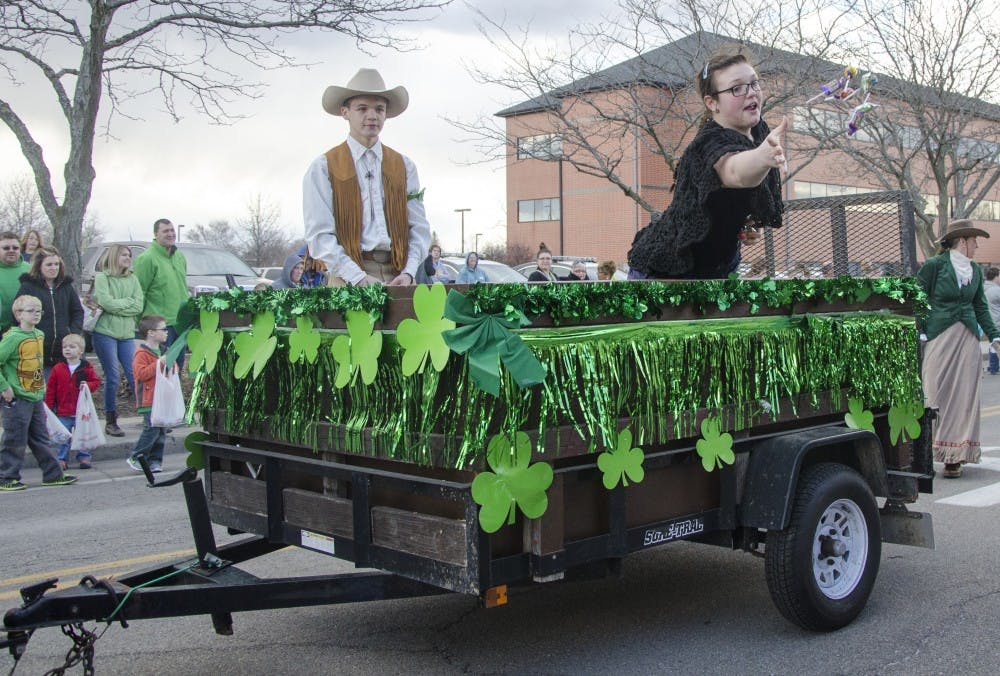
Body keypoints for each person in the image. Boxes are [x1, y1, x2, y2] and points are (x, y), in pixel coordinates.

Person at [627, 47, 784, 280]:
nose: (751, 93)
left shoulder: (760, 132)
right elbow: (734, 172)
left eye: (754, 84)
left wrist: (747, 223)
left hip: (718, 267)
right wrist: (762, 158)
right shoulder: (708, 143)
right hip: (666, 269)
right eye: (736, 89)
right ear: (712, 103)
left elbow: (738, 194)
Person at [303, 68, 431, 286]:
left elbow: (419, 227)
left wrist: (409, 272)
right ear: (345, 112)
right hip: (347, 276)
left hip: (398, 274)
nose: (372, 116)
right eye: (362, 108)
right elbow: (319, 236)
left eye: (379, 109)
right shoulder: (323, 167)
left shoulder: (405, 166)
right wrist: (358, 277)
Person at [917, 219, 1000, 479]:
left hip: (968, 339)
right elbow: (919, 297)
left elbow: (980, 307)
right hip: (939, 336)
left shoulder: (974, 270)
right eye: (974, 242)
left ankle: (954, 457)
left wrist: (995, 337)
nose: (977, 247)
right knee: (933, 394)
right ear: (962, 241)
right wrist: (921, 329)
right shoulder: (935, 266)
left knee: (964, 397)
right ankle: (924, 454)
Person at [0, 295, 78, 491]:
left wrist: (40, 386)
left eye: (38, 311)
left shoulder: (39, 334)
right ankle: (6, 477)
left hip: (34, 395)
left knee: (41, 438)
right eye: (30, 311)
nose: (35, 314)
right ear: (18, 315)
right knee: (14, 439)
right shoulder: (13, 338)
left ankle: (52, 474)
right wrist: (5, 387)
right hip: (16, 397)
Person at [92, 244, 144, 437]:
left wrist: (118, 306)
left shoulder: (133, 278)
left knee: (134, 374)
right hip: (105, 333)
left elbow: (138, 305)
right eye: (123, 254)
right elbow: (106, 303)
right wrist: (125, 303)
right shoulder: (102, 278)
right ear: (114, 256)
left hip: (127, 334)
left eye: (129, 255)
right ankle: (111, 420)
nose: (127, 258)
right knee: (112, 376)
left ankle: (148, 416)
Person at [16, 246, 84, 379]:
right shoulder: (28, 287)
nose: (53, 268)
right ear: (39, 266)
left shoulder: (66, 287)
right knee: (39, 393)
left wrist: (72, 332)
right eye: (49, 264)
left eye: (56, 264)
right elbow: (19, 313)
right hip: (37, 353)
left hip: (63, 352)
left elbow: (77, 312)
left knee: (62, 394)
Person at [132, 219, 188, 368]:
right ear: (156, 234)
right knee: (162, 368)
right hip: (160, 325)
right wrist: (141, 322)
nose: (170, 234)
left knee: (178, 366)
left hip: (180, 323)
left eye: (172, 230)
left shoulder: (179, 256)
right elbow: (139, 292)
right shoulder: (146, 259)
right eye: (165, 231)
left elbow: (182, 286)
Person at [45, 334, 100, 470]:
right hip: (63, 410)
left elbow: (95, 382)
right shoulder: (58, 368)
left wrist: (87, 385)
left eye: (72, 347)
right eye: (65, 347)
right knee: (63, 437)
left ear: (81, 351)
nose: (67, 349)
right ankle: (61, 458)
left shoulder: (86, 367)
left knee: (82, 434)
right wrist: (49, 407)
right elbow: (51, 389)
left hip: (81, 409)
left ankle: (84, 457)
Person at [127, 315, 172, 474]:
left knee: (161, 431)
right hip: (148, 399)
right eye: (163, 329)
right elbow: (141, 374)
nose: (167, 332)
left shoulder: (164, 351)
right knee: (151, 429)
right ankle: (137, 456)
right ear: (151, 333)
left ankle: (154, 461)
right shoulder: (141, 353)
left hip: (162, 398)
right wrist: (159, 363)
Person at [0, 231, 30, 332]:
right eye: (6, 248)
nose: (11, 250)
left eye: (15, 248)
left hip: (24, 330)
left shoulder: (30, 269)